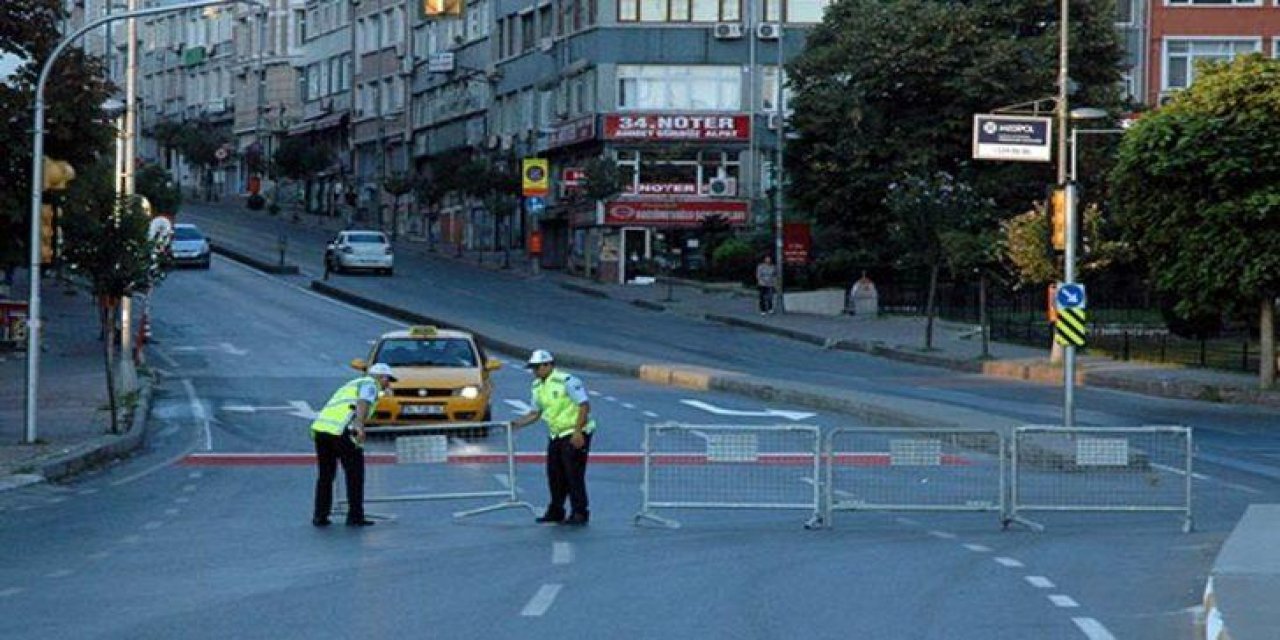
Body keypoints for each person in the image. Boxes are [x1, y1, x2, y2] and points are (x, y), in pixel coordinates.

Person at [511, 350, 596, 526]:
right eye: (532, 368)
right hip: (556, 434)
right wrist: (515, 424)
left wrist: (578, 431)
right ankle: (556, 511)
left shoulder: (567, 381)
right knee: (555, 474)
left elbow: (584, 406)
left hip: (574, 432)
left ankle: (580, 512)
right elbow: (535, 413)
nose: (534, 371)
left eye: (537, 367)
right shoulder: (537, 386)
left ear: (548, 365)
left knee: (573, 474)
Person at [310, 362, 397, 527]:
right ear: (382, 377)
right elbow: (363, 402)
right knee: (355, 475)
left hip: (322, 430)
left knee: (326, 476)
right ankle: (355, 516)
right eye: (388, 379)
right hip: (343, 431)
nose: (389, 384)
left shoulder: (352, 384)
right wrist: (358, 426)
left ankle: (320, 515)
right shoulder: (370, 384)